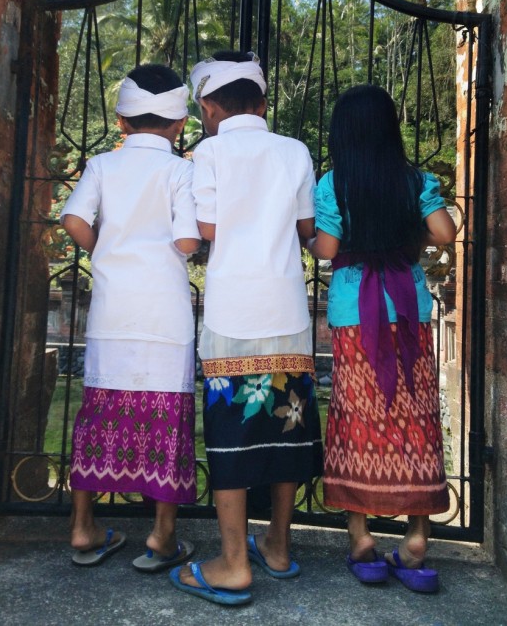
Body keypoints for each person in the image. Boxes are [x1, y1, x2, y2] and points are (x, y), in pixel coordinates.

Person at [169, 51, 323, 606]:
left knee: (231, 432)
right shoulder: (295, 151)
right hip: (286, 314)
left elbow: (205, 227)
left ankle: (233, 563)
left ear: (209, 106)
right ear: (263, 104)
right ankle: (278, 546)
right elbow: (308, 227)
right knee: (288, 424)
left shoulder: (208, 152)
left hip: (233, 314)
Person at [308, 83, 456, 593]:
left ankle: (362, 541)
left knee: (358, 413)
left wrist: (309, 236)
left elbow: (326, 248)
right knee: (415, 413)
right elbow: (444, 233)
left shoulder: (334, 184)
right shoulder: (416, 180)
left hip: (354, 312)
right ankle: (416, 542)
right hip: (409, 308)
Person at [60, 63, 201, 571]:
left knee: (97, 410)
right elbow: (187, 240)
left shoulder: (102, 166)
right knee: (168, 416)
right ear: (180, 123)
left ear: (121, 121)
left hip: (111, 312)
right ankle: (162, 537)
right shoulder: (181, 171)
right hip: (164, 316)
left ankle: (83, 527)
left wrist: (105, 250)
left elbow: (73, 217)